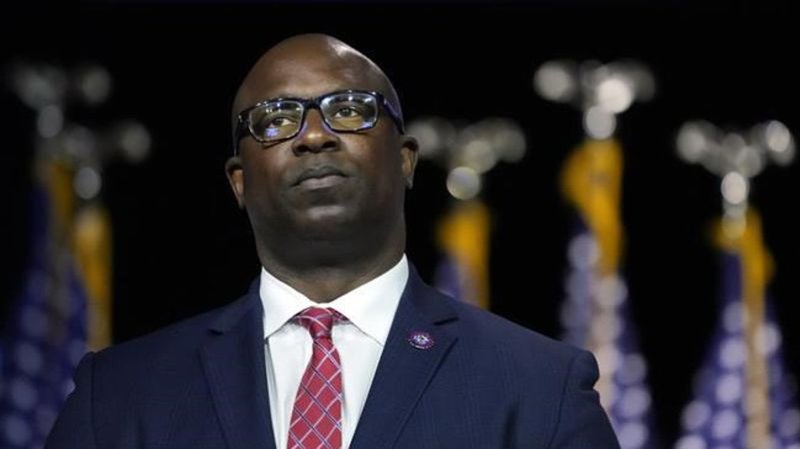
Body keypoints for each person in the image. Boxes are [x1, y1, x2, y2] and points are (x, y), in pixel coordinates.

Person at [45, 33, 620, 449]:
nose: (314, 136)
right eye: (276, 120)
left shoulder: (541, 388)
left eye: (348, 110)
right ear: (239, 182)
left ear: (405, 159)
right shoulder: (116, 396)